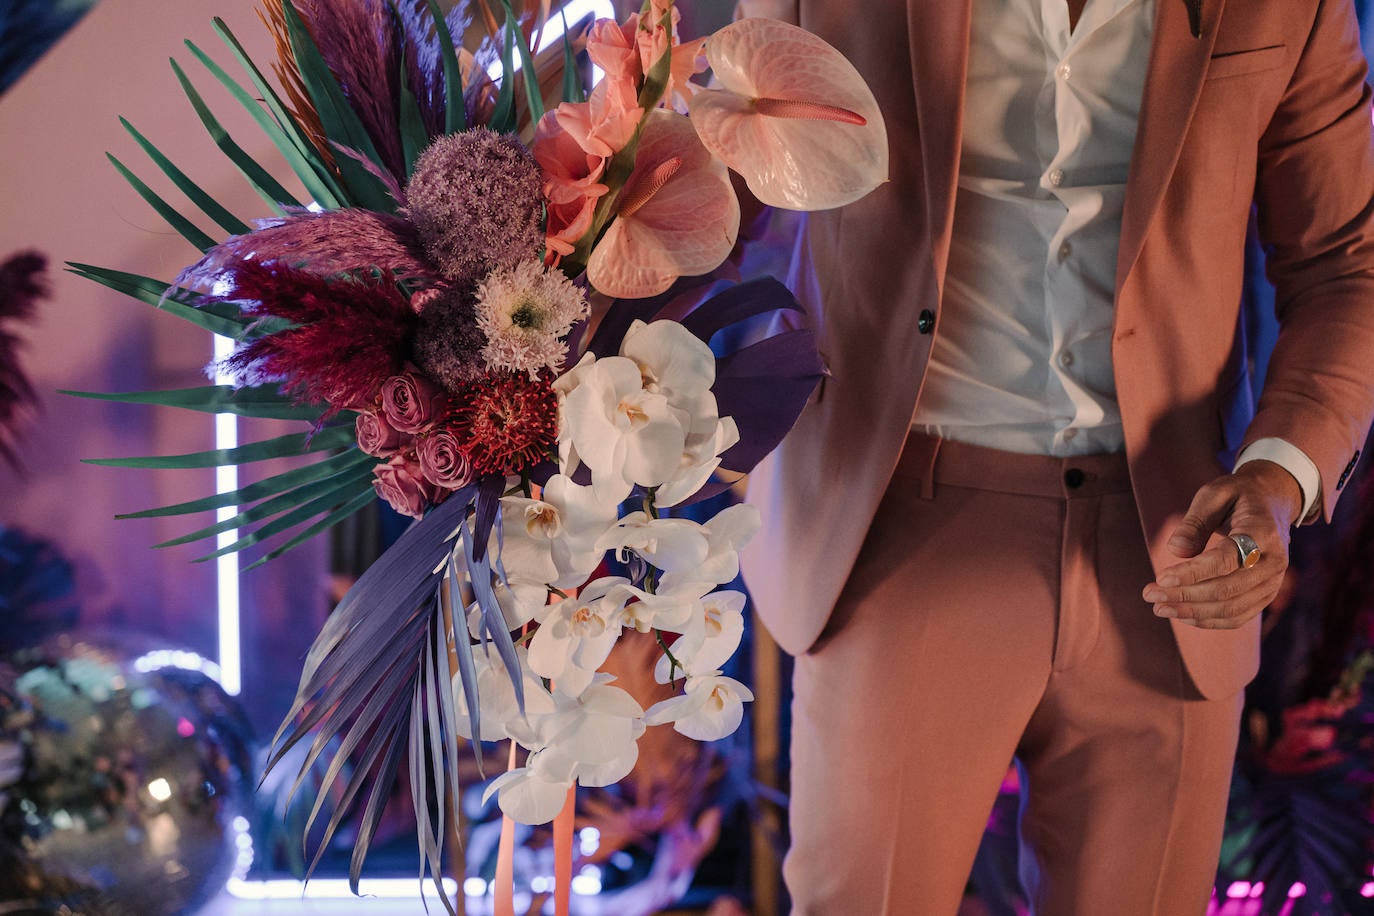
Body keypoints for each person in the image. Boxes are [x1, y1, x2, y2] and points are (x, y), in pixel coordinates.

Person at [734, 0, 1374, 913]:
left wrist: (1277, 479)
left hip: (1177, 551)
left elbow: (1347, 265)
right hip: (900, 528)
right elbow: (709, 178)